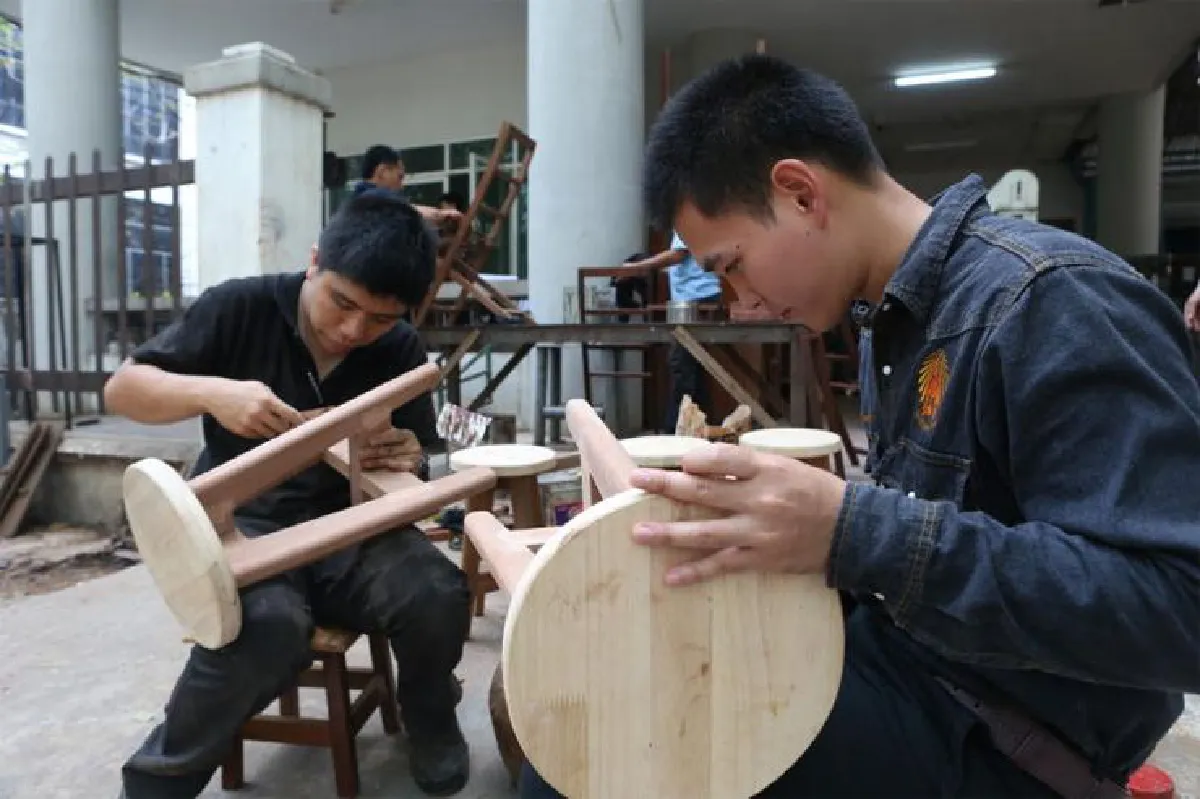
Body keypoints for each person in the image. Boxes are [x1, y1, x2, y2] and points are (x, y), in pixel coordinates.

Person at [520, 54, 1200, 798]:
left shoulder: (1051, 299)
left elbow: (1178, 608)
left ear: (801, 192)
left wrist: (854, 531)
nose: (740, 304)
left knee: (597, 770)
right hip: (915, 665)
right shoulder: (891, 320)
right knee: (584, 709)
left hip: (1006, 739)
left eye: (734, 265)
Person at [107, 190, 472, 798]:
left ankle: (430, 717)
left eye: (380, 319)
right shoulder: (239, 307)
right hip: (247, 524)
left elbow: (418, 455)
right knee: (263, 629)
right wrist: (211, 393)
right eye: (342, 303)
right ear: (314, 262)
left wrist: (405, 452)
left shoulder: (400, 348)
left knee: (437, 594)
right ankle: (155, 786)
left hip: (352, 527)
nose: (355, 330)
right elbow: (123, 389)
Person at [622, 233, 723, 430]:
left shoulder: (686, 212)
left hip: (695, 297)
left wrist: (637, 267)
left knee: (682, 364)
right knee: (694, 365)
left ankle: (674, 429)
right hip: (698, 295)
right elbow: (683, 261)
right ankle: (699, 426)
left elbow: (679, 254)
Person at [354, 144, 460, 224]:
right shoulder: (373, 199)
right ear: (382, 172)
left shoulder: (356, 202)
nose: (401, 186)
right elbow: (408, 211)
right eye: (399, 177)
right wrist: (443, 214)